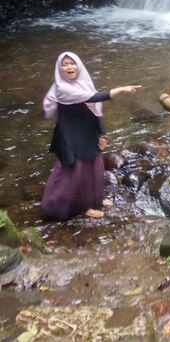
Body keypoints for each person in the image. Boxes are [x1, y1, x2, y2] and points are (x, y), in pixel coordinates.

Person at [42, 51, 142, 220]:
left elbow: (94, 111)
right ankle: (80, 207)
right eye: (64, 64)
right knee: (75, 172)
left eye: (72, 63)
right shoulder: (62, 88)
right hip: (70, 135)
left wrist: (102, 132)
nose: (69, 67)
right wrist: (122, 89)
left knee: (94, 167)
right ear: (59, 69)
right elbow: (97, 98)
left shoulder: (83, 83)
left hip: (87, 132)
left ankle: (95, 200)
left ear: (79, 65)